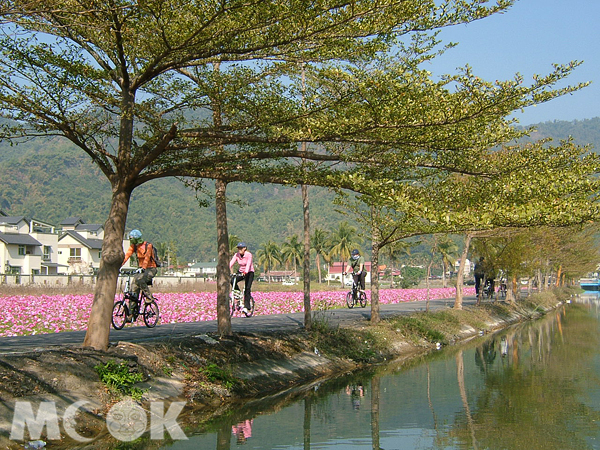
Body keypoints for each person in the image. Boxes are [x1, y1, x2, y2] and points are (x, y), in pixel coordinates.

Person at [122, 229, 158, 314]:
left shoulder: (148, 246)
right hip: (140, 270)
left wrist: (143, 268)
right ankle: (131, 313)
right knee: (133, 289)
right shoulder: (133, 246)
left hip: (151, 269)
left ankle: (149, 297)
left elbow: (147, 257)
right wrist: (120, 266)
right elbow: (127, 256)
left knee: (140, 280)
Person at [229, 242, 255, 314]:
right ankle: (238, 293)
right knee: (232, 280)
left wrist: (245, 272)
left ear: (245, 248)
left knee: (247, 289)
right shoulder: (236, 255)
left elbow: (249, 264)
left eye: (241, 248)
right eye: (238, 248)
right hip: (241, 271)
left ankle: (247, 307)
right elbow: (231, 263)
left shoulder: (248, 255)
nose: (239, 250)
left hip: (249, 272)